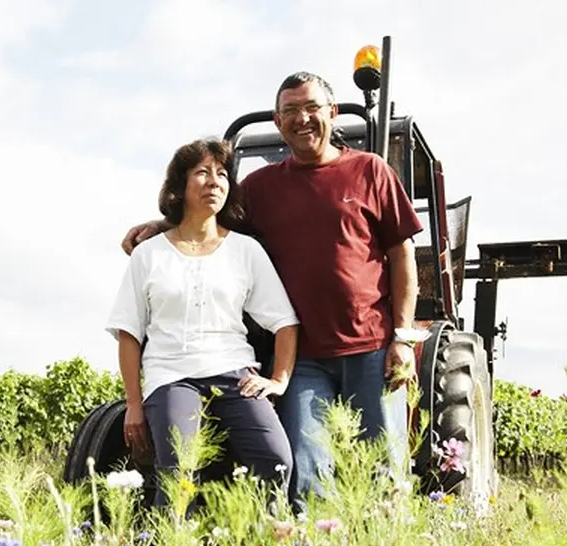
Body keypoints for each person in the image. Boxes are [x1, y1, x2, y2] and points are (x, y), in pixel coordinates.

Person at [122, 72, 425, 511]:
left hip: (370, 347)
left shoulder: (369, 171)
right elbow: (209, 221)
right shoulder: (263, 188)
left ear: (332, 113)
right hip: (302, 360)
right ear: (279, 124)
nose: (301, 119)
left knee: (381, 469)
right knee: (303, 468)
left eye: (311, 108)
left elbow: (402, 254)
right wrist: (161, 226)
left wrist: (402, 337)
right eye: (289, 112)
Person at [105, 138, 301, 509]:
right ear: (179, 187)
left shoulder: (246, 250)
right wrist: (134, 404)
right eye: (202, 172)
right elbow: (129, 332)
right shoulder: (149, 254)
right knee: (179, 469)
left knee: (276, 461)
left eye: (222, 174)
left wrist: (278, 380)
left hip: (233, 371)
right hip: (171, 376)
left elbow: (284, 322)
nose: (214, 181)